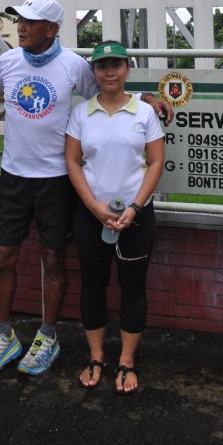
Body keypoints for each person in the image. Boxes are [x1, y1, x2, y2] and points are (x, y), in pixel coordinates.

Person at [0, 0, 171, 377]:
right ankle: (3, 335)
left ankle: (48, 336)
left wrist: (145, 97)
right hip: (14, 178)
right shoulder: (8, 61)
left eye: (30, 22)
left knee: (53, 259)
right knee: (2, 258)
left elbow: (110, 91)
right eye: (19, 20)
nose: (21, 28)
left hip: (57, 181)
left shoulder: (73, 65)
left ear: (52, 29)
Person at [65, 41, 164, 394]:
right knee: (92, 286)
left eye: (116, 65)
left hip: (136, 217)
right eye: (102, 66)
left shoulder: (144, 112)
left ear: (127, 70)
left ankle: (126, 360)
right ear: (93, 72)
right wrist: (93, 206)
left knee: (133, 288)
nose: (109, 72)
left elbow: (156, 161)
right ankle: (96, 357)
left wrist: (135, 207)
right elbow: (72, 161)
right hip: (92, 215)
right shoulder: (81, 113)